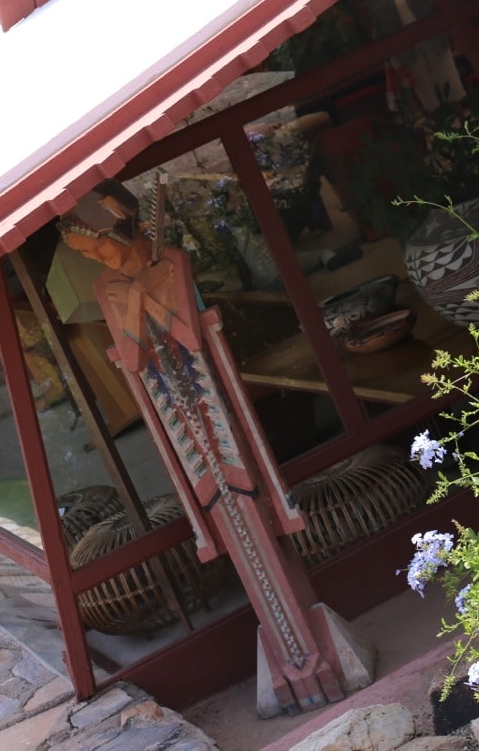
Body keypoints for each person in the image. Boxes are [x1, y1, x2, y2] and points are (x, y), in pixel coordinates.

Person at [59, 184, 372, 714]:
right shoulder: (109, 288)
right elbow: (132, 357)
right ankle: (293, 661)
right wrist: (138, 298)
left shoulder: (171, 262)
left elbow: (190, 334)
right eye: (85, 253)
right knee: (225, 514)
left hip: (218, 414)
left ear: (121, 228)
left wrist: (150, 296)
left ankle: (307, 654)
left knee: (254, 510)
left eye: (98, 246)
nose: (96, 258)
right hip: (181, 428)